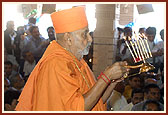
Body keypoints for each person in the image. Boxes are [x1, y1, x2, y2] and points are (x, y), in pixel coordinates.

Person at [15, 6, 129, 111]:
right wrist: (106, 76)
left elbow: (95, 102)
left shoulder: (76, 60)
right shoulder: (56, 63)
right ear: (68, 38)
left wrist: (112, 81)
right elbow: (78, 108)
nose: (90, 39)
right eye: (84, 34)